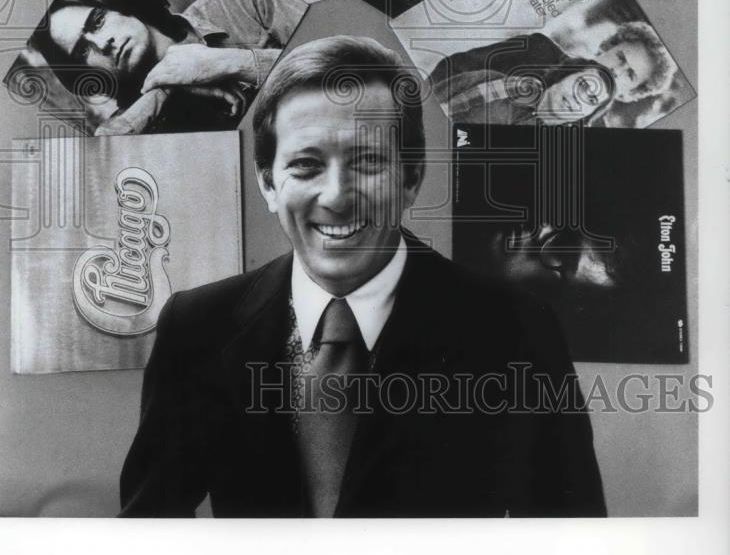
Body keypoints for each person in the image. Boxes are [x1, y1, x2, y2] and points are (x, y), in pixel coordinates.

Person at [119, 35, 606, 517]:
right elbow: (148, 538)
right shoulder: (196, 326)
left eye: (368, 162)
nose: (336, 196)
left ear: (411, 177)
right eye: (306, 166)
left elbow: (569, 550)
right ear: (268, 183)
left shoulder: (518, 330)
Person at [27, 0, 304, 135]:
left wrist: (228, 62)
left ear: (119, 3)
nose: (103, 43)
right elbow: (105, 159)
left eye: (98, 20)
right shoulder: (133, 125)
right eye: (82, 51)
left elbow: (340, 58)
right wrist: (167, 87)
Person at [428, 24, 675, 126]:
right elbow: (456, 66)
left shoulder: (596, 135)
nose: (615, 70)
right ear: (607, 46)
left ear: (631, 93)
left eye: (629, 75)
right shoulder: (538, 48)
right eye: (620, 58)